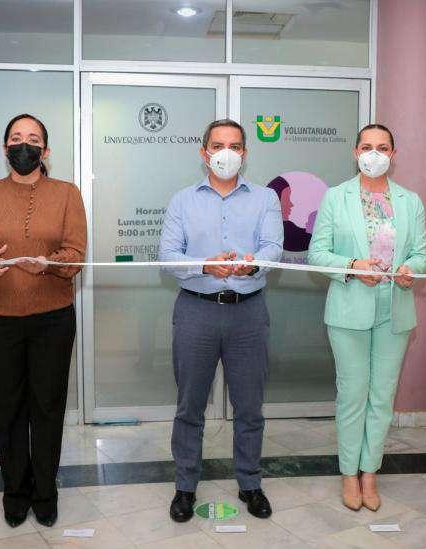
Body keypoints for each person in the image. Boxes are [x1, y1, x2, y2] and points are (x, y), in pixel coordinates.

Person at [0, 114, 87, 527]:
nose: (24, 145)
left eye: (33, 139)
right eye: (16, 138)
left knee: (47, 407)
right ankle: (15, 490)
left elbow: (76, 256)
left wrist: (48, 263)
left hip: (53, 319)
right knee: (8, 407)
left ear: (45, 150)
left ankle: (45, 491)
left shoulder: (67, 194)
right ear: (5, 148)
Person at [159, 119, 283, 522]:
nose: (225, 153)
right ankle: (185, 486)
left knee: (249, 407)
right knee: (189, 406)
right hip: (196, 310)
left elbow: (273, 248)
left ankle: (250, 482)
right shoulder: (182, 200)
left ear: (244, 153)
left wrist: (253, 264)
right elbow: (167, 256)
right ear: (204, 152)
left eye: (234, 146)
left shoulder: (265, 198)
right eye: (217, 145)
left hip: (248, 313)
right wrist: (204, 265)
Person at [307, 124, 426, 511]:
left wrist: (411, 269)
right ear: (355, 152)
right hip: (349, 310)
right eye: (366, 147)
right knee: (352, 394)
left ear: (393, 154)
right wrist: (353, 265)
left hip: (395, 311)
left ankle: (370, 472)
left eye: (382, 147)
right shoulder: (336, 197)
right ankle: (348, 473)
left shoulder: (410, 201)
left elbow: (421, 254)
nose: (374, 154)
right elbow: (317, 254)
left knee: (382, 397)